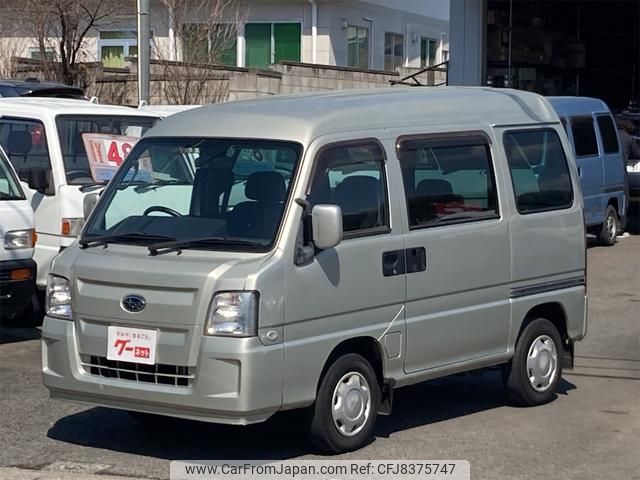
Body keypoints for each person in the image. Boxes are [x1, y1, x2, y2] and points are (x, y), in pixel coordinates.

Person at [616, 119, 640, 238]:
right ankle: (622, 227)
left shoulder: (611, 135)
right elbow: (637, 154)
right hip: (621, 171)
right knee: (624, 197)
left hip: (609, 170)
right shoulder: (629, 138)